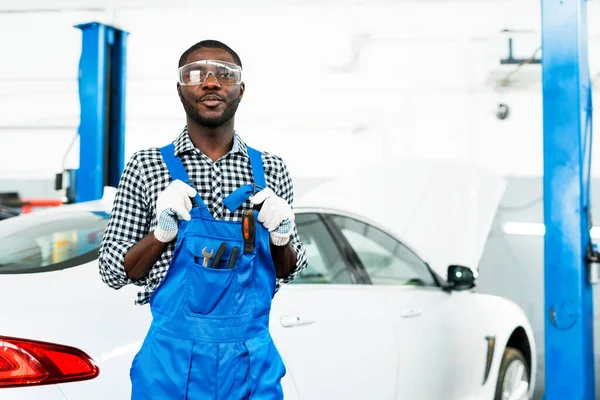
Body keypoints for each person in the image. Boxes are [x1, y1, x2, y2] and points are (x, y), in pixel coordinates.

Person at [98, 39, 308, 400]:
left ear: (240, 90)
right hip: (170, 366)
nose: (211, 82)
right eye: (195, 74)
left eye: (225, 74)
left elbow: (288, 269)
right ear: (181, 88)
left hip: (250, 364)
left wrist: (282, 236)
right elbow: (113, 271)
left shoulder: (271, 169)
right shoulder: (147, 166)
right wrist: (161, 233)